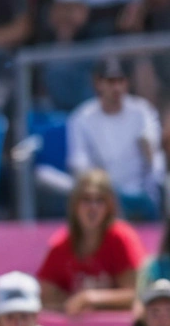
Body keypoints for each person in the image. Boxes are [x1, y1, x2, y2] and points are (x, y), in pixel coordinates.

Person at [57, 58, 165, 220]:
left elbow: (156, 158)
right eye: (110, 81)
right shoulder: (81, 118)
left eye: (121, 81)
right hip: (104, 199)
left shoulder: (142, 111)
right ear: (98, 83)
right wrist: (103, 191)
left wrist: (150, 151)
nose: (117, 87)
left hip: (145, 195)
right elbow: (79, 163)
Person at [36, 170, 145, 314]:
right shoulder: (61, 244)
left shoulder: (121, 239)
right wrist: (67, 302)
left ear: (109, 206)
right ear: (74, 205)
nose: (92, 207)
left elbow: (140, 294)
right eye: (86, 199)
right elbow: (44, 295)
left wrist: (91, 299)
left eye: (99, 200)